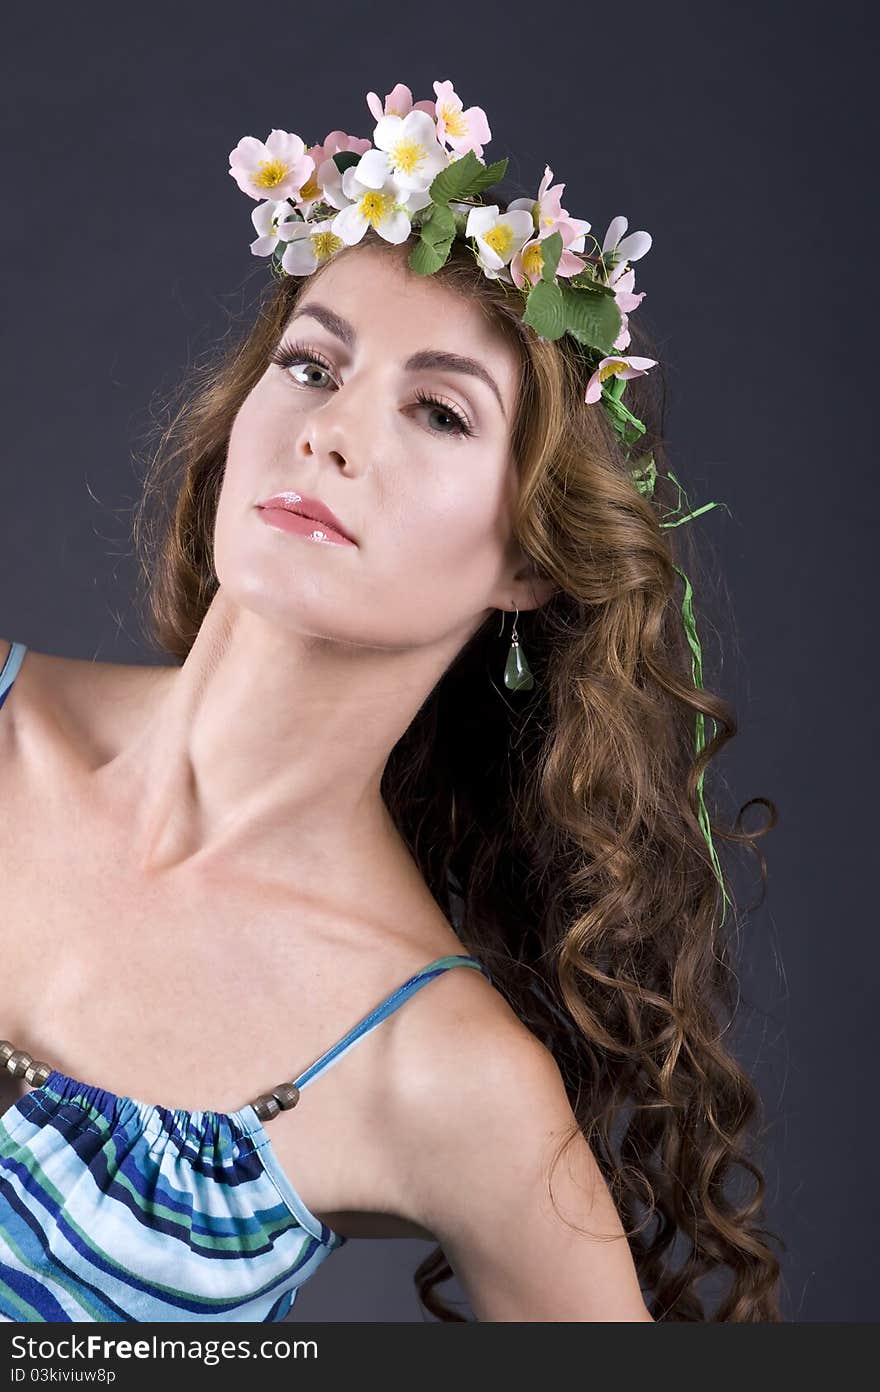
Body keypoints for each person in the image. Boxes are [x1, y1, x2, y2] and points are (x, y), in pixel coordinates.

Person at [0, 86, 782, 1324]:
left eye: (437, 410)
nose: (331, 431)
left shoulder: (440, 1075)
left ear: (529, 559)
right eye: (310, 364)